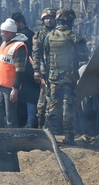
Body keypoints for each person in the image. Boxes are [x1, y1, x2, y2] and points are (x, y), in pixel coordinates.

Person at [42, 8, 88, 144]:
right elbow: (84, 56)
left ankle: (50, 136)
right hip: (69, 78)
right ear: (69, 20)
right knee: (67, 106)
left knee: (53, 105)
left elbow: (45, 58)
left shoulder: (49, 36)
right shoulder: (74, 37)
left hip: (53, 77)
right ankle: (68, 136)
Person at [0, 18, 28, 128]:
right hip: (0, 85)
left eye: (3, 31)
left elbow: (20, 69)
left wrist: (15, 88)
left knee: (10, 116)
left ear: (10, 32)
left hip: (10, 87)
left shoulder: (19, 47)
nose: (1, 34)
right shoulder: (3, 44)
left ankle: (13, 136)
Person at [32, 8, 56, 128]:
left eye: (51, 18)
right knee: (43, 100)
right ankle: (41, 126)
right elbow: (36, 54)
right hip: (45, 72)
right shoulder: (40, 35)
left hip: (58, 72)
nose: (49, 20)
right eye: (46, 18)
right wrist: (36, 70)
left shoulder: (58, 34)